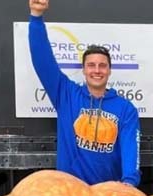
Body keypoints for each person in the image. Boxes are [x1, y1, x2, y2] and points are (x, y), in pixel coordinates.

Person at [28, 0, 141, 186]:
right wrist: (36, 17)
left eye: (102, 65)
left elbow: (130, 150)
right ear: (84, 70)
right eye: (91, 65)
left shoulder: (125, 109)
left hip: (107, 194)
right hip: (70, 191)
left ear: (110, 70)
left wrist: (129, 183)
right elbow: (42, 60)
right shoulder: (66, 94)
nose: (97, 70)